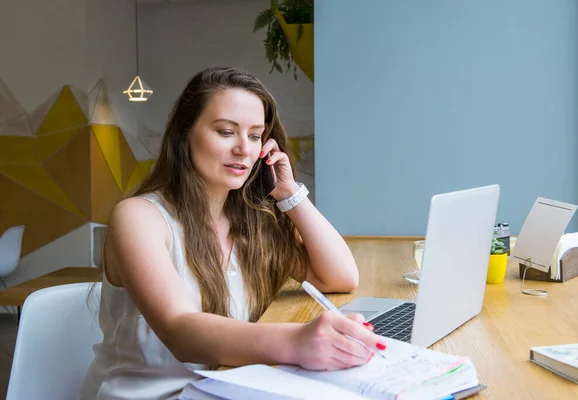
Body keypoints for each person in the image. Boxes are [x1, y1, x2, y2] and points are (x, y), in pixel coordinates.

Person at [79, 65, 386, 399]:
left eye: (255, 136)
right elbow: (180, 331)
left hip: (229, 390)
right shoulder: (139, 217)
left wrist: (289, 193)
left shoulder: (255, 222)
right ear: (185, 134)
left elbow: (340, 277)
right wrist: (298, 341)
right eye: (226, 132)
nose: (244, 149)